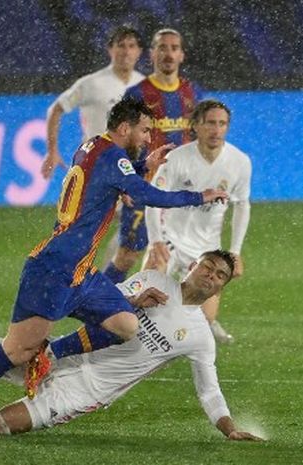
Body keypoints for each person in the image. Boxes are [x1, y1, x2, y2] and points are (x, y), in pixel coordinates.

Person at [0, 97, 229, 435]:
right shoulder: (115, 158)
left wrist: (142, 165)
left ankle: (48, 356)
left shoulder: (94, 146)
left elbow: (112, 181)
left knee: (127, 325)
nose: (148, 139)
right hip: (57, 268)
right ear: (125, 128)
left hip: (81, 270)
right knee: (17, 349)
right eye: (145, 131)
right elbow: (146, 196)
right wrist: (199, 196)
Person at [0, 251, 263, 442]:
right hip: (60, 351)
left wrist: (228, 428)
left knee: (4, 426)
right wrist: (131, 301)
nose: (210, 275)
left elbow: (208, 389)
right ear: (194, 265)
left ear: (222, 287)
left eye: (219, 275)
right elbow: (100, 307)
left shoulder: (201, 338)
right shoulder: (153, 281)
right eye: (208, 265)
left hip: (88, 388)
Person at [145, 100, 252, 344]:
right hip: (170, 240)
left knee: (204, 321)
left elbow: (242, 205)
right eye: (210, 123)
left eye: (222, 124)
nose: (216, 130)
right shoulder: (176, 158)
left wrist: (234, 252)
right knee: (145, 299)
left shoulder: (240, 162)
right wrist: (155, 241)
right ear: (196, 126)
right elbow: (153, 199)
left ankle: (203, 324)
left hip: (207, 251)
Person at [103, 28, 203, 286]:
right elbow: (121, 139)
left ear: (182, 55)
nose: (168, 53)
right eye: (162, 48)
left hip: (179, 189)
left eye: (173, 48)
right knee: (127, 255)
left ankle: (171, 320)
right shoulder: (137, 94)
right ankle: (99, 306)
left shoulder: (193, 93)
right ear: (152, 54)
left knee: (177, 256)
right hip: (144, 187)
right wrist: (124, 179)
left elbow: (198, 140)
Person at [42, 24, 144, 180]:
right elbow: (56, 109)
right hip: (96, 167)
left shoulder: (144, 84)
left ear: (139, 51)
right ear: (110, 49)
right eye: (121, 45)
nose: (126, 51)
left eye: (131, 46)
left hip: (132, 168)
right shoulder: (92, 83)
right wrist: (52, 151)